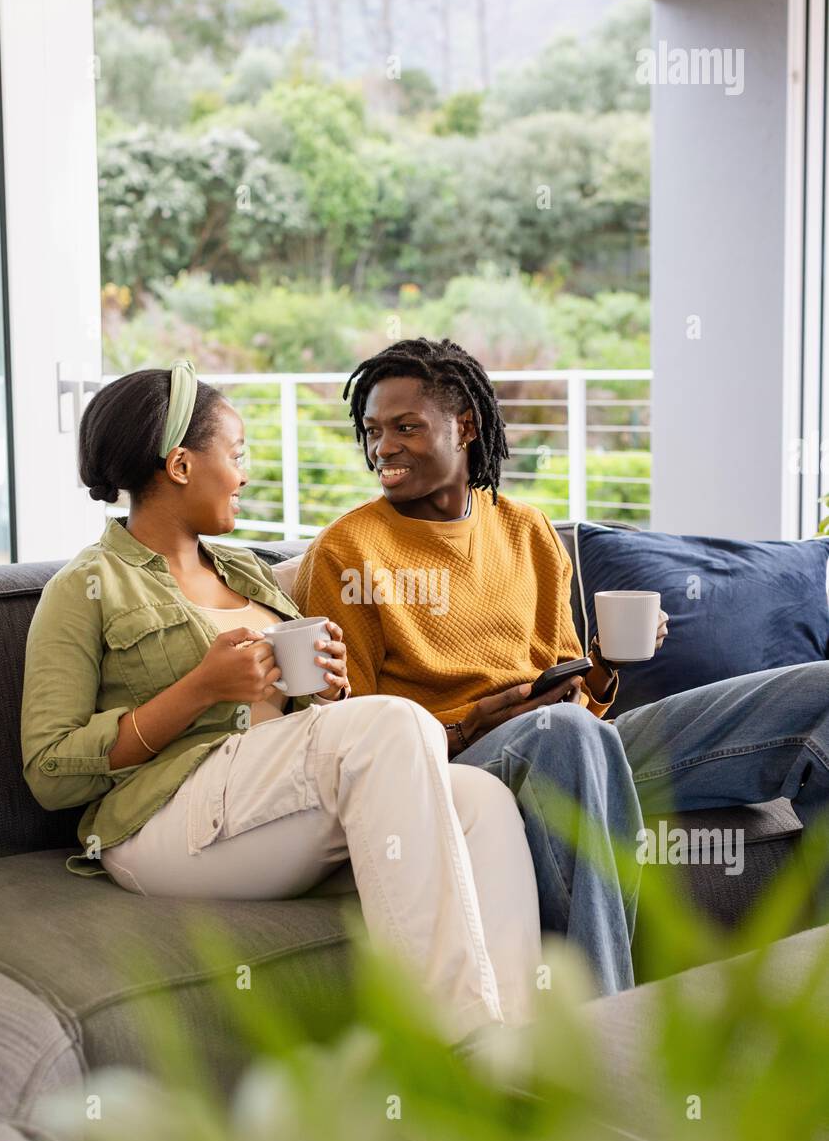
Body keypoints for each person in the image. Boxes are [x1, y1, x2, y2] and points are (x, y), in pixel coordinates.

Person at [20, 361, 546, 1048]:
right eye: (234, 456)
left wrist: (326, 689)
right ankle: (449, 1047)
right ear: (181, 465)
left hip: (259, 816)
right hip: (160, 828)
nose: (243, 474)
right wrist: (198, 690)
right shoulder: (87, 586)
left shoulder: (239, 569)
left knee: (479, 798)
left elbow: (310, 732)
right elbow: (51, 771)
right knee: (394, 723)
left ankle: (519, 1054)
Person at [293, 337, 829, 994]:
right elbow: (356, 737)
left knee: (817, 694)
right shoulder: (345, 551)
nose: (383, 448)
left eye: (406, 426)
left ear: (465, 426)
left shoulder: (526, 530)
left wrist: (598, 665)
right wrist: (467, 728)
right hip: (459, 766)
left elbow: (576, 697)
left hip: (571, 746)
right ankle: (603, 1038)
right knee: (565, 736)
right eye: (373, 431)